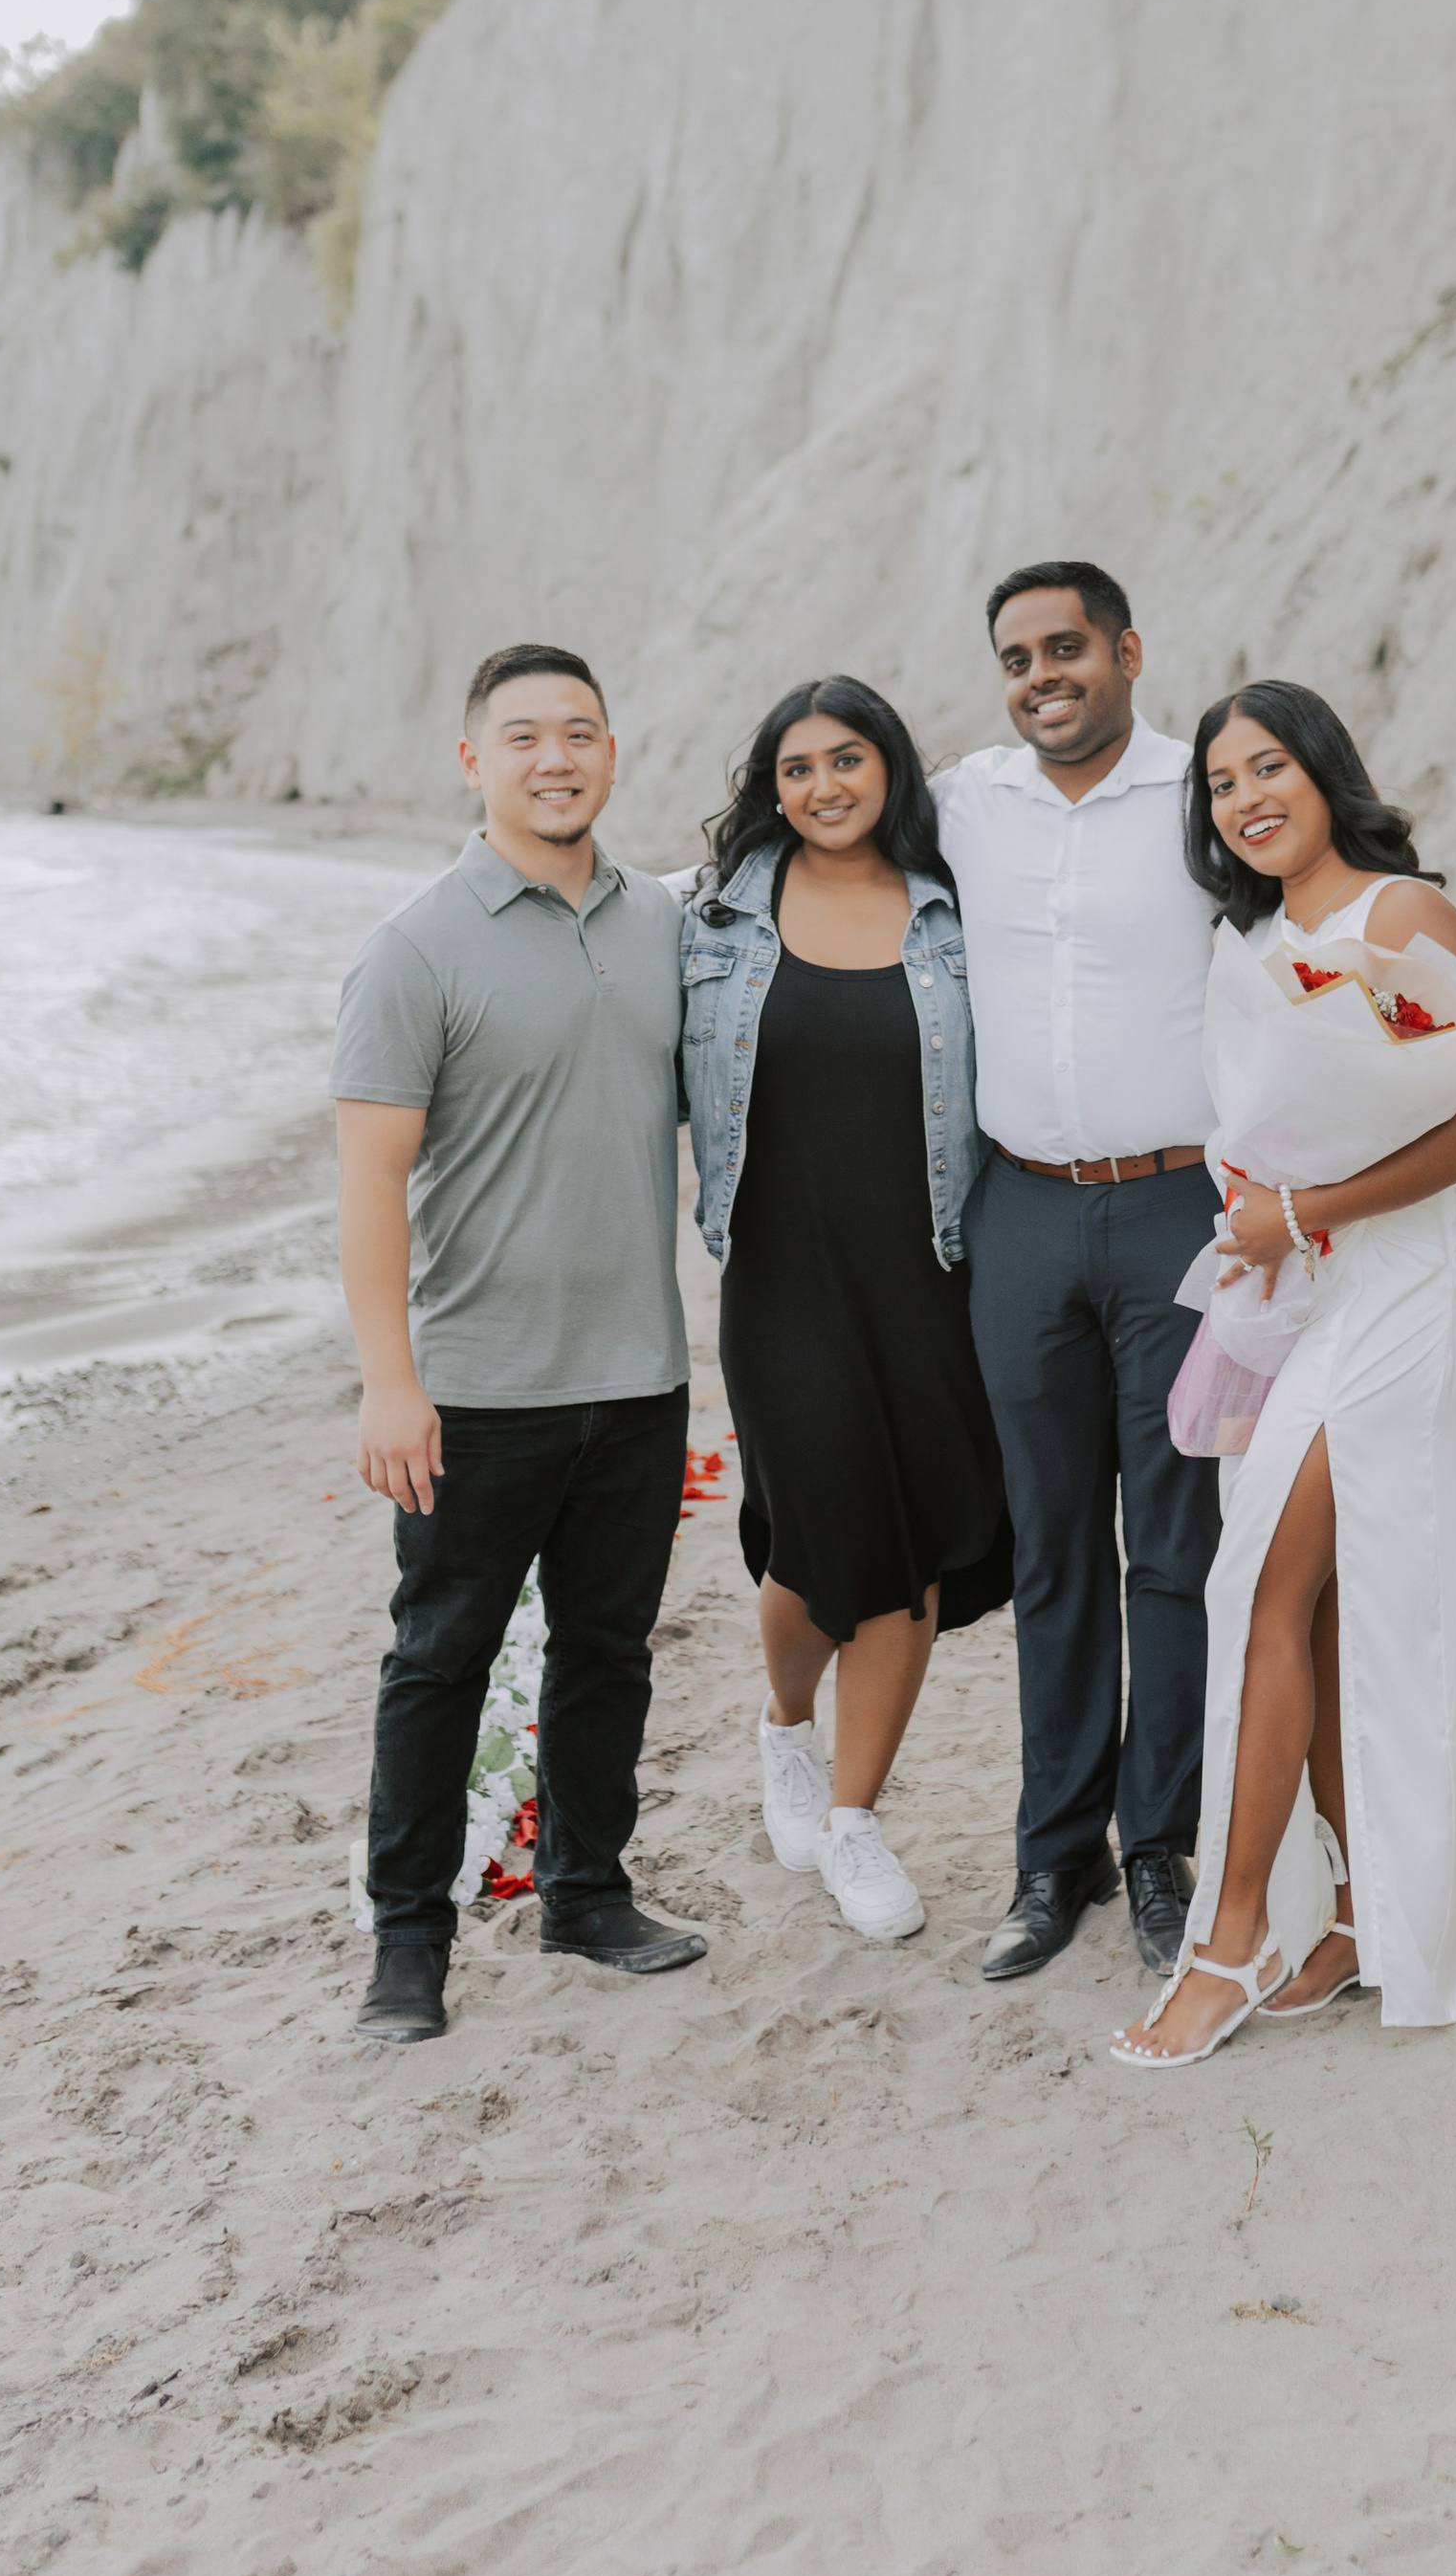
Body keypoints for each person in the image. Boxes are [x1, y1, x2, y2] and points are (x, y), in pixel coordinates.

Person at [1111, 681, 1456, 2068]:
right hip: (1302, 1295)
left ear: (1323, 769)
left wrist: (1306, 1211)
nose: (1246, 798)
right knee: (1326, 1610)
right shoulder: (1257, 941)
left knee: (1260, 1583)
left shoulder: (1403, 919)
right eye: (1220, 784)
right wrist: (1259, 1196)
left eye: (1268, 766)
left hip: (1395, 1294)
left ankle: (1231, 1938)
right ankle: (1344, 1916)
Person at [333, 642, 705, 2047]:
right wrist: (389, 1381)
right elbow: (370, 1183)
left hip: (640, 1373)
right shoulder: (415, 947)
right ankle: (407, 1946)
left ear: (614, 754)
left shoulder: (663, 923)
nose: (559, 756)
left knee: (609, 1652)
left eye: (585, 732)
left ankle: (588, 1893)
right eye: (528, 734)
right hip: (478, 1390)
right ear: (473, 759)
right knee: (441, 1659)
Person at [933, 561, 1224, 1984]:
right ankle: (1055, 1859)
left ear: (1126, 650)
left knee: (1172, 1548)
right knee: (1052, 1550)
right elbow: (810, 849)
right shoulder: (963, 801)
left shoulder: (1198, 793)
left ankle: (1157, 1844)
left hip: (1177, 1207)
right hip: (1022, 1217)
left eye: (1067, 649)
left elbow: (1323, 898)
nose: (1042, 676)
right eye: (1017, 657)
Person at [683, 679, 1009, 1946]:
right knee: (815, 1542)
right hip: (779, 1281)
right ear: (772, 786)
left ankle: (854, 1818)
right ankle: (783, 1728)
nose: (826, 785)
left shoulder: (954, 914)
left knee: (910, 1549)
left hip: (930, 1275)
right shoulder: (709, 917)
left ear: (891, 770)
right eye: (799, 766)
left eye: (849, 759)